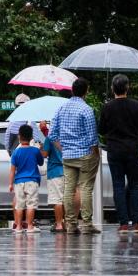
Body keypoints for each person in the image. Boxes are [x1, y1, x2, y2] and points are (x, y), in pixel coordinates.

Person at [48, 77, 101, 235]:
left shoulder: (61, 108)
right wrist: (96, 154)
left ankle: (70, 224)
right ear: (86, 91)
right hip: (85, 155)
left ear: (72, 90)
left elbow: (51, 135)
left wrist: (62, 148)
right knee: (85, 188)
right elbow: (92, 138)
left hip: (68, 156)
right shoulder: (86, 109)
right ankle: (87, 224)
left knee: (69, 190)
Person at [99, 73, 138, 234]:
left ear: (113, 88)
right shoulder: (137, 106)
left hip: (114, 150)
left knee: (118, 186)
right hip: (133, 150)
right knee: (135, 186)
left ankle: (123, 224)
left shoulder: (107, 107)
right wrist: (136, 142)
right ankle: (137, 223)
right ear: (128, 87)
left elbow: (102, 130)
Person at [8, 125, 44, 234]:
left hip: (19, 182)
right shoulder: (35, 151)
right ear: (31, 137)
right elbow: (41, 162)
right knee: (31, 205)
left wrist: (10, 184)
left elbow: (12, 170)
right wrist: (40, 149)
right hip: (32, 181)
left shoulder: (16, 152)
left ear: (19, 136)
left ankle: (18, 227)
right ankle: (29, 226)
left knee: (19, 205)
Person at [39, 120, 65, 233]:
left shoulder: (51, 137)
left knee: (57, 200)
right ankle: (66, 223)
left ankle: (59, 224)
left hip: (55, 171)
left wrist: (40, 148)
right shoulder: (67, 136)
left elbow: (44, 154)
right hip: (68, 170)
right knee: (66, 199)